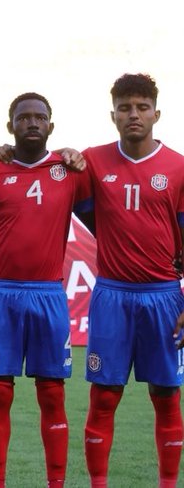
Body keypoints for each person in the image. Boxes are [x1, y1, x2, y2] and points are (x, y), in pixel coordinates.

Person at [0, 93, 89, 488]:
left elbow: (107, 222)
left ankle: (56, 483)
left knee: (51, 394)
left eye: (40, 118)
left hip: (48, 295)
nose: (32, 123)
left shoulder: (70, 171)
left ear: (51, 126)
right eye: (24, 118)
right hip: (0, 294)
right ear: (11, 126)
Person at [74, 73, 184, 488]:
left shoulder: (178, 167)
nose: (133, 114)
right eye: (125, 107)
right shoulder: (92, 161)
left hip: (164, 297)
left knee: (166, 396)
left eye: (141, 107)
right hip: (112, 296)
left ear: (157, 113)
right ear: (113, 115)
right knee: (104, 397)